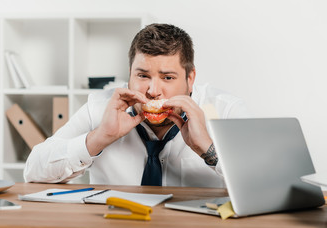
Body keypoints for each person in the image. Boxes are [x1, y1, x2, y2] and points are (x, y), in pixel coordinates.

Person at [24, 23, 248, 187]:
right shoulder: (101, 107)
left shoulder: (225, 111)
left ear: (190, 78)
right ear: (129, 74)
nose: (152, 91)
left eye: (167, 78)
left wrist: (208, 150)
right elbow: (33, 171)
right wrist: (100, 137)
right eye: (142, 75)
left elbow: (268, 184)